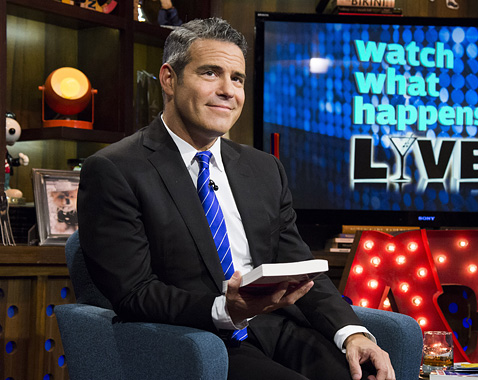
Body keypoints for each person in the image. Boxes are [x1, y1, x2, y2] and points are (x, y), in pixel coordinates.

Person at [78, 17, 395, 380]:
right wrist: (223, 309)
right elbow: (133, 292)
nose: (229, 90)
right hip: (193, 340)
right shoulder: (115, 169)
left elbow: (298, 266)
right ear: (169, 78)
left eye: (237, 78)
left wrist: (351, 333)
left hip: (275, 330)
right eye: (211, 73)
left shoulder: (264, 169)